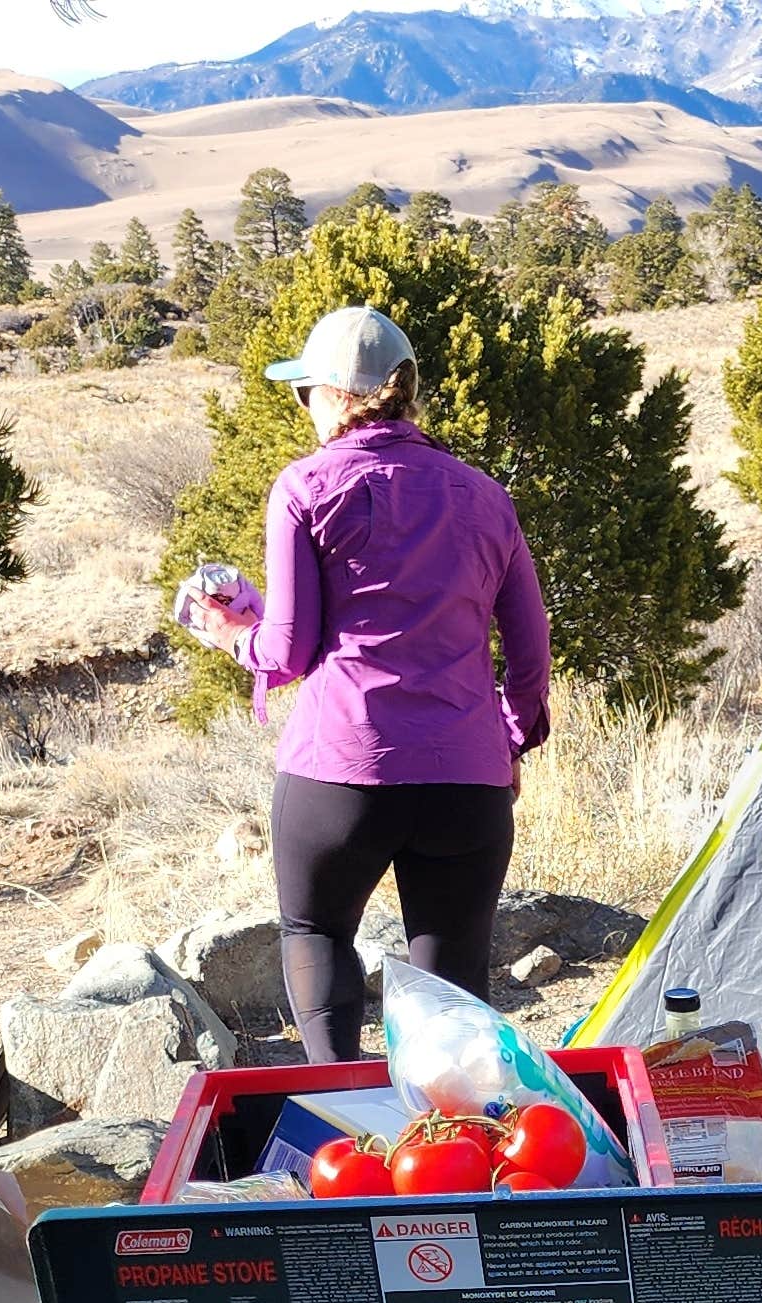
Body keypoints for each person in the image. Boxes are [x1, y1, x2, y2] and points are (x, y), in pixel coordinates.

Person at [180, 306, 551, 1063]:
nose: (303, 408)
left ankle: (343, 1114)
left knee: (316, 934)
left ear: (336, 395)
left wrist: (228, 631)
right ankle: (451, 1130)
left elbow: (287, 651)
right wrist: (511, 741)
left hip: (341, 771)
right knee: (454, 988)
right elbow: (530, 648)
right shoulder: (485, 495)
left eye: (304, 391)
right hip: (465, 779)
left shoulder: (305, 487)